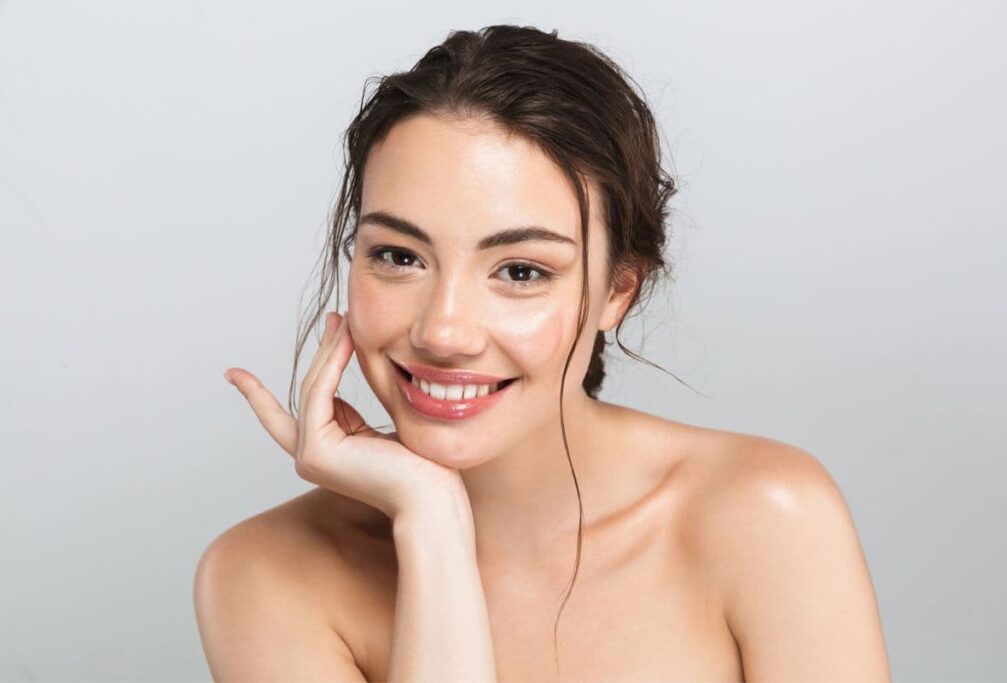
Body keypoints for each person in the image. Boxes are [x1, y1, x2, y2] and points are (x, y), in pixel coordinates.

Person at [195, 24, 891, 681]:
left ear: (617, 292)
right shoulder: (264, 573)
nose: (444, 331)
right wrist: (433, 521)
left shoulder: (766, 517)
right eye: (399, 255)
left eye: (521, 271)